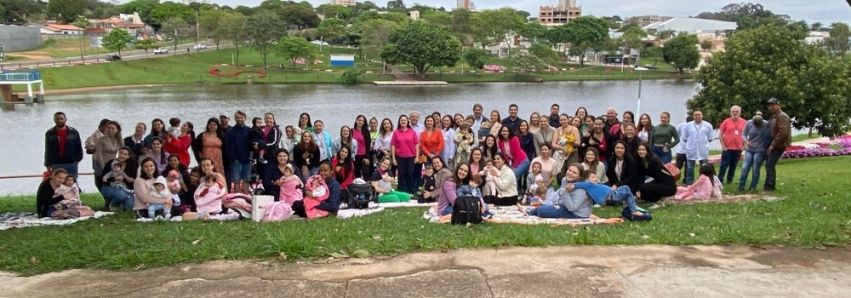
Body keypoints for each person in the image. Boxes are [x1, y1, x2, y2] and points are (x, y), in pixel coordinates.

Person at [521, 164, 592, 219]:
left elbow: (571, 208)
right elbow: (559, 194)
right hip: (564, 206)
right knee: (544, 206)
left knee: (541, 211)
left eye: (574, 172)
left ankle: (532, 211)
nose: (570, 173)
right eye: (569, 170)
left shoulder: (581, 190)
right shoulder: (565, 179)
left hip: (577, 214)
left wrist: (565, 191)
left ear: (579, 177)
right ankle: (531, 211)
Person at [571, 170, 644, 216]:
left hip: (612, 194)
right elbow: (578, 185)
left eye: (595, 177)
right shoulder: (588, 184)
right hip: (609, 197)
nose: (595, 179)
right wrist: (571, 185)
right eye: (593, 177)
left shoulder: (592, 184)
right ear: (587, 179)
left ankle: (629, 204)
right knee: (626, 189)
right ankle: (633, 210)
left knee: (627, 192)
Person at [44, 112, 84, 179]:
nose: (59, 120)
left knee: (71, 185)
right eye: (57, 119)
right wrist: (47, 164)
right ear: (54, 120)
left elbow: (78, 147)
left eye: (61, 119)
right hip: (56, 164)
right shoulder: (49, 133)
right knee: (57, 186)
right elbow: (48, 149)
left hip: (71, 163)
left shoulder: (73, 132)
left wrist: (77, 159)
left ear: (65, 119)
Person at [739, 112, 771, 192]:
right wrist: (746, 141)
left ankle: (753, 187)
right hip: (749, 149)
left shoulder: (766, 124)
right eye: (755, 124)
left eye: (758, 125)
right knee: (745, 168)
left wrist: (767, 146)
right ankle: (741, 186)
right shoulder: (749, 123)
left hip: (760, 150)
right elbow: (743, 134)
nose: (756, 126)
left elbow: (770, 135)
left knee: (755, 169)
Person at [764, 97, 790, 192]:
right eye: (769, 106)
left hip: (778, 145)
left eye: (773, 105)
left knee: (770, 165)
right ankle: (768, 186)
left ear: (778, 105)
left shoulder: (782, 116)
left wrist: (772, 145)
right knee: (769, 165)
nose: (771, 107)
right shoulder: (774, 116)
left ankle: (769, 187)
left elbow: (782, 133)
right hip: (771, 144)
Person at [681, 110, 714, 185]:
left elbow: (710, 138)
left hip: (703, 150)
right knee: (689, 168)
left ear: (702, 116)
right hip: (691, 150)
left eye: (699, 114)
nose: (697, 116)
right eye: (695, 115)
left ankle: (705, 183)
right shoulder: (687, 125)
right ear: (693, 116)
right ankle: (689, 183)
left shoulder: (708, 125)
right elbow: (684, 138)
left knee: (705, 168)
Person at [718, 105, 746, 184]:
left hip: (738, 148)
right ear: (731, 112)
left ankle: (729, 181)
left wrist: (744, 146)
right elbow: (720, 135)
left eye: (736, 111)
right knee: (724, 166)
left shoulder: (744, 122)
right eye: (733, 111)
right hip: (727, 148)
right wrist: (723, 146)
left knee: (733, 166)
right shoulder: (726, 121)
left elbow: (747, 135)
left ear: (740, 112)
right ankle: (720, 181)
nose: (734, 113)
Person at [391, 115, 419, 194]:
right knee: (401, 174)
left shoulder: (412, 132)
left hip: (411, 156)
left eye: (405, 120)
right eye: (401, 120)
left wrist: (417, 156)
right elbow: (393, 145)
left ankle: (411, 191)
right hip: (400, 157)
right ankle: (400, 191)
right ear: (399, 122)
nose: (403, 122)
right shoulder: (396, 132)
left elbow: (416, 144)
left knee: (410, 173)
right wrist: (393, 158)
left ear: (407, 122)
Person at [225, 111, 252, 192]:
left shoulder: (249, 130)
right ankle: (238, 197)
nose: (239, 119)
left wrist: (251, 157)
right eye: (237, 117)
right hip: (236, 160)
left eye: (241, 117)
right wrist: (233, 159)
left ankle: (246, 196)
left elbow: (253, 145)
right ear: (235, 118)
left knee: (246, 179)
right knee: (236, 180)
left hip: (248, 159)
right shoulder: (230, 131)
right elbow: (228, 147)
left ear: (245, 118)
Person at [94, 121, 122, 191]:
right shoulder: (101, 139)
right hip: (100, 163)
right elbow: (99, 155)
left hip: (112, 164)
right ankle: (105, 197)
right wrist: (104, 167)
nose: (110, 130)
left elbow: (123, 152)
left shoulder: (120, 140)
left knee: (111, 182)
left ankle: (110, 198)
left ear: (117, 129)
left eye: (113, 128)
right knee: (100, 182)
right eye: (109, 128)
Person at [352, 115, 373, 179]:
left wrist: (367, 157)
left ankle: (367, 187)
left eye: (362, 121)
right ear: (356, 120)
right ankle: (357, 187)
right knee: (356, 173)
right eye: (359, 120)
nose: (360, 122)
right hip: (354, 156)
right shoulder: (351, 131)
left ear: (364, 123)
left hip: (364, 156)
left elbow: (368, 145)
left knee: (365, 173)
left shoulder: (366, 132)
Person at [673, 115, 693, 180]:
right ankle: (673, 179)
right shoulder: (681, 126)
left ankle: (686, 180)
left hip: (691, 152)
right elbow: (676, 135)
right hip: (680, 151)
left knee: (689, 168)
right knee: (677, 167)